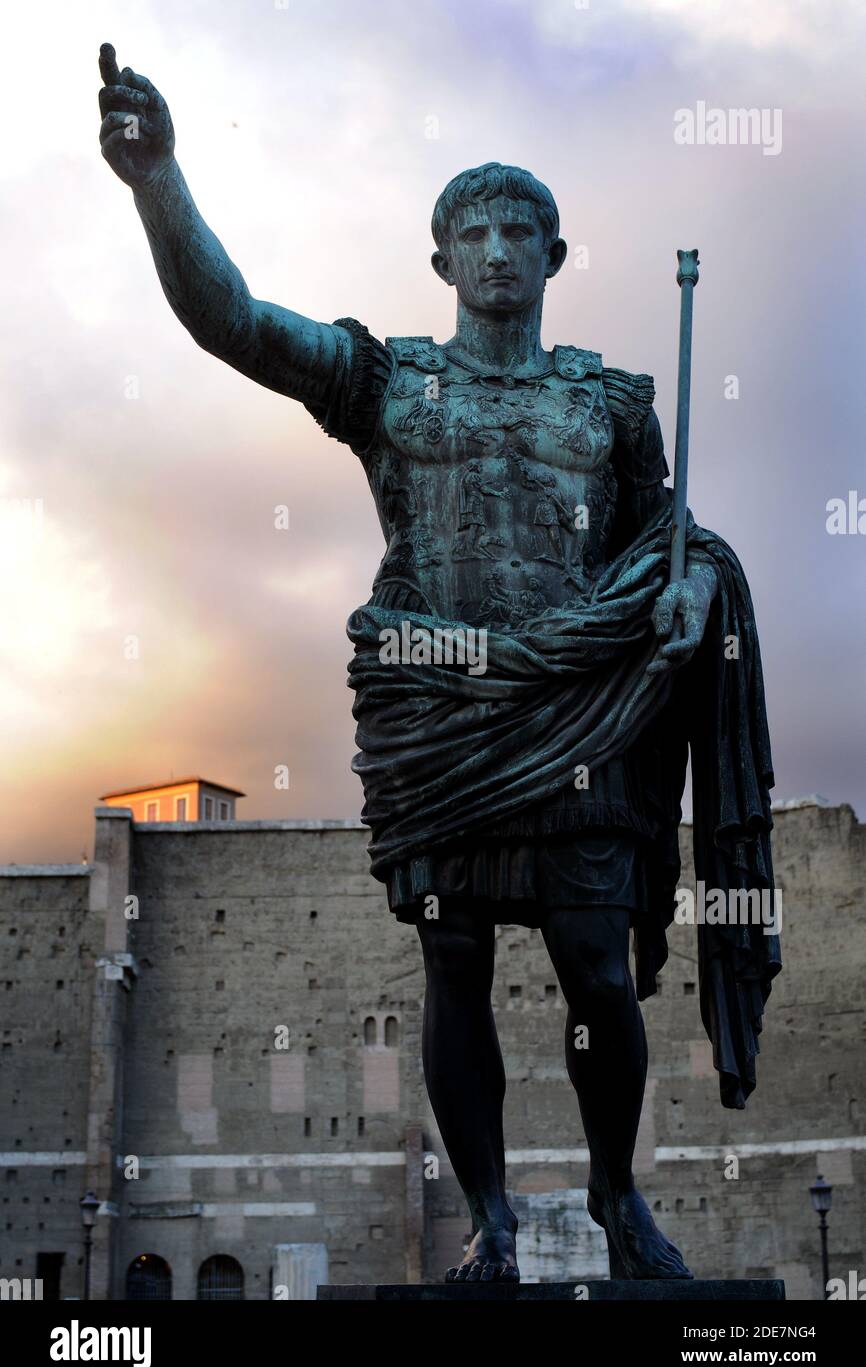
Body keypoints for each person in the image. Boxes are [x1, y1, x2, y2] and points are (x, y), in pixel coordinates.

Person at [98, 43, 779, 1283]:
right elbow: (235, 323)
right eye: (476, 229)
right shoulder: (392, 384)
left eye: (523, 229)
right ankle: (492, 1225)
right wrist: (160, 184)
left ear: (554, 257)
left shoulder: (613, 402)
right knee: (452, 954)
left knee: (591, 961)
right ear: (442, 258)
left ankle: (617, 1198)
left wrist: (686, 595)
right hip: (439, 712)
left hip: (579, 723)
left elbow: (664, 544)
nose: (501, 248)